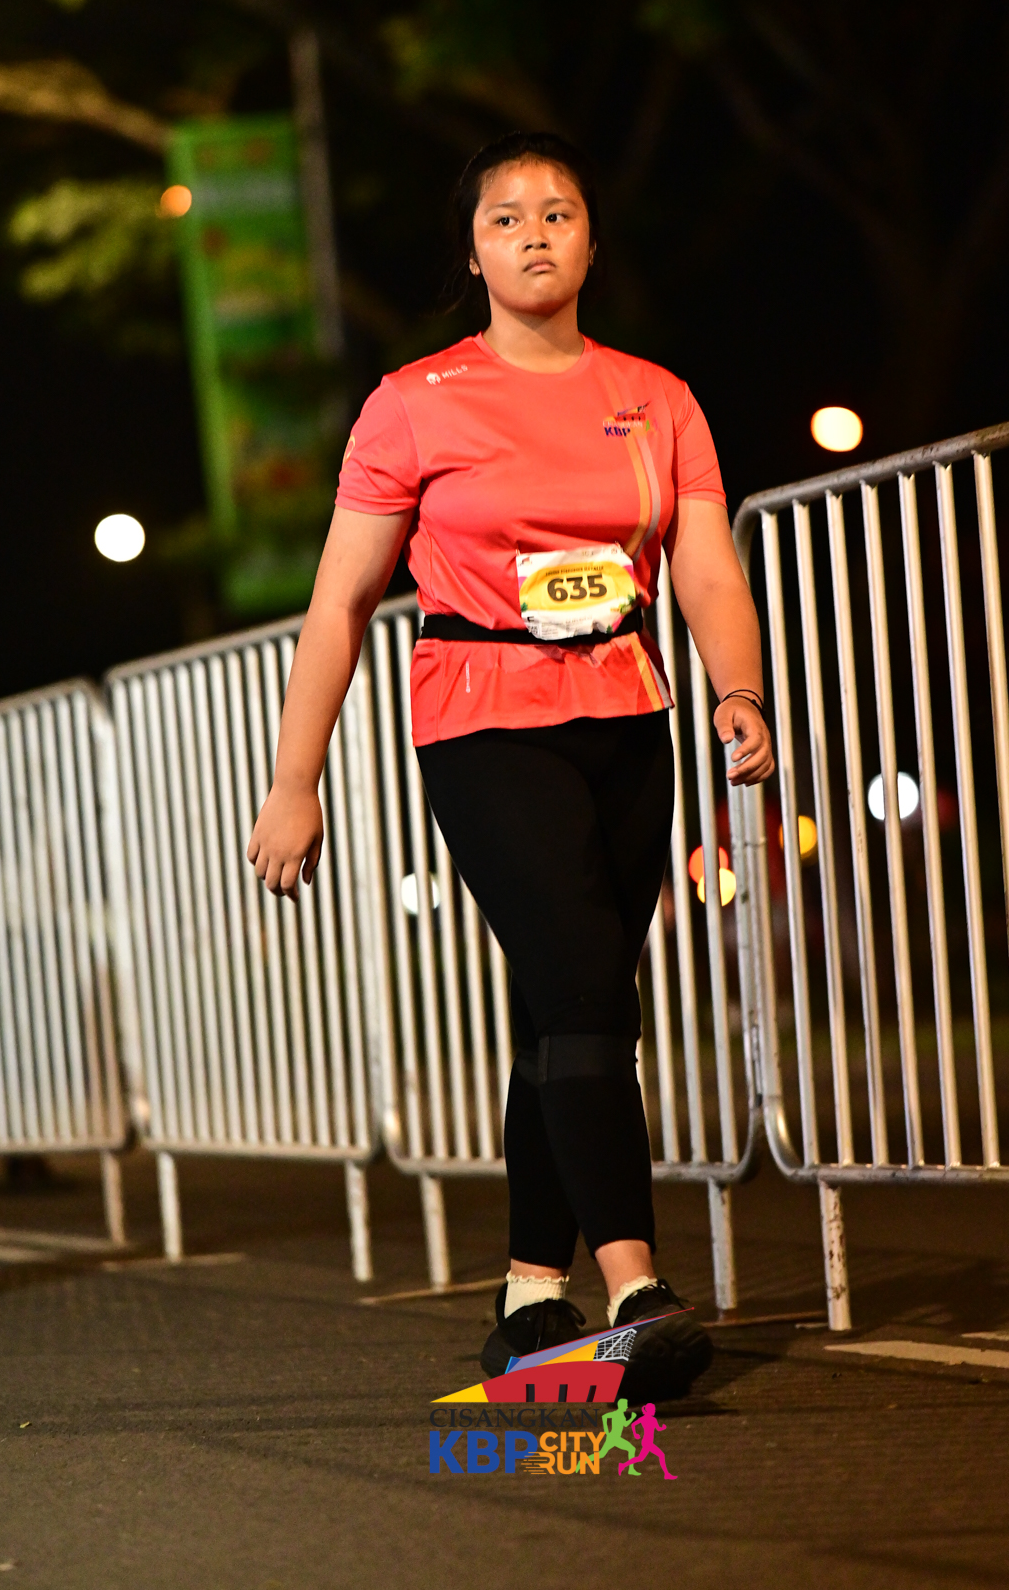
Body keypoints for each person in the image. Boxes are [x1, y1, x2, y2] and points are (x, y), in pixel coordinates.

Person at [247, 130, 774, 1403]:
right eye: (505, 217)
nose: (534, 232)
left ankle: (530, 1294)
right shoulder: (413, 402)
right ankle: (635, 1286)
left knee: (563, 1002)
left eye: (557, 211)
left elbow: (704, 561)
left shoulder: (657, 397)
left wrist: (737, 689)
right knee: (586, 992)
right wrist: (294, 778)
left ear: (591, 239)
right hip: (480, 719)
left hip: (626, 714)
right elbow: (340, 601)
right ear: (472, 251)